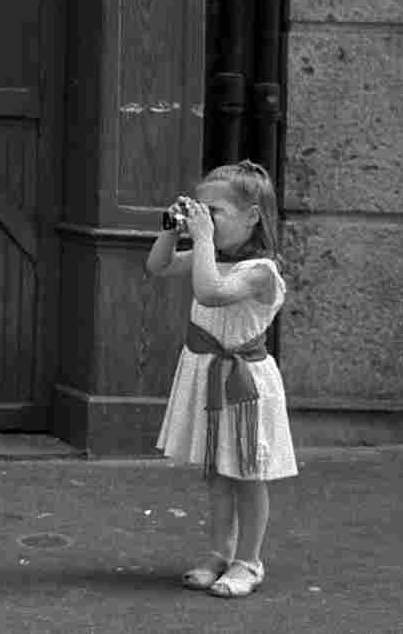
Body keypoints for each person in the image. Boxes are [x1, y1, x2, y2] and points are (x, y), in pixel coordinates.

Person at [145, 159, 298, 599]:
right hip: (210, 375)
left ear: (252, 218)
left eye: (217, 213)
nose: (204, 221)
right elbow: (157, 265)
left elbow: (210, 291)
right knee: (218, 472)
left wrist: (204, 240)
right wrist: (174, 230)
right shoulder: (209, 256)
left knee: (249, 473)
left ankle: (249, 561)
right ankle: (219, 553)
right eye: (201, 210)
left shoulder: (261, 272)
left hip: (244, 383)